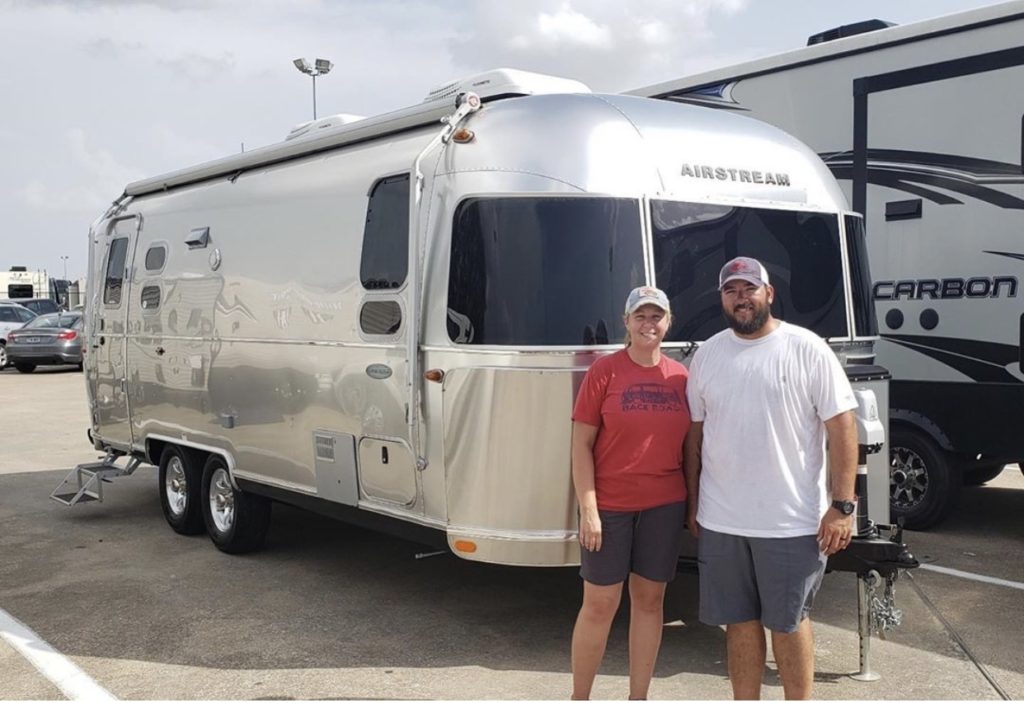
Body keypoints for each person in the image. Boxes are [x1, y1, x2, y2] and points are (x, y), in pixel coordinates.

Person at [683, 256, 858, 700]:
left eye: (749, 288)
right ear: (722, 299)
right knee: (738, 624)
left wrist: (842, 506)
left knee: (788, 623)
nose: (741, 298)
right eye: (731, 290)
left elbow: (842, 427)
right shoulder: (708, 355)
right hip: (722, 521)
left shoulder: (807, 348)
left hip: (790, 524)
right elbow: (695, 437)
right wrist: (693, 503)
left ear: (769, 293)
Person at [569, 285, 691, 701]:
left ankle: (638, 697)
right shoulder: (604, 372)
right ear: (626, 322)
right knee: (600, 604)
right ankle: (579, 697)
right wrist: (589, 510)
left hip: (664, 504)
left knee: (650, 602)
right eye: (640, 316)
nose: (648, 324)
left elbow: (691, 446)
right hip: (610, 505)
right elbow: (580, 445)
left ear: (668, 323)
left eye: (656, 316)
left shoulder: (681, 377)